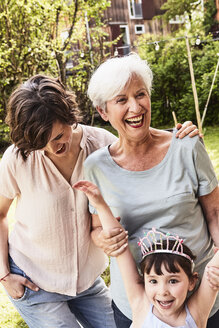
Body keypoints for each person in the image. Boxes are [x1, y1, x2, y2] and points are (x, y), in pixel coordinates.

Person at [0, 74, 198, 328]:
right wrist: (4, 275)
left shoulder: (102, 145)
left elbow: (143, 158)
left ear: (69, 116)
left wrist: (181, 141)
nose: (52, 147)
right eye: (42, 143)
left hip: (87, 282)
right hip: (34, 281)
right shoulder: (18, 159)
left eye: (59, 136)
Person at [84, 53, 219, 328]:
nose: (135, 107)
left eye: (140, 94)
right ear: (103, 111)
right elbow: (97, 228)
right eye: (121, 100)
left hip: (202, 297)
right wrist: (102, 240)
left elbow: (215, 212)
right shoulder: (96, 166)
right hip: (139, 305)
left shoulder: (187, 145)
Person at [73, 180, 219, 328]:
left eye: (173, 281)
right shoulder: (141, 306)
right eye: (153, 281)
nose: (163, 291)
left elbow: (213, 273)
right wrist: (100, 205)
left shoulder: (195, 314)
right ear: (144, 281)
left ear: (192, 282)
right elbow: (121, 249)